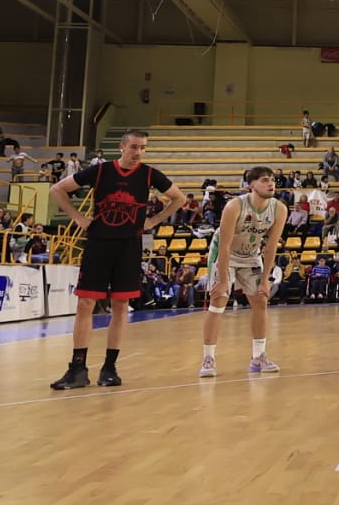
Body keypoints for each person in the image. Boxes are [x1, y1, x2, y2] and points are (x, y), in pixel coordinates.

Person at [48, 128, 187, 389]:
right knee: (86, 304)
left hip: (129, 246)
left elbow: (178, 198)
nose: (139, 152)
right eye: (134, 147)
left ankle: (109, 368)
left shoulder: (149, 174)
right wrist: (78, 218)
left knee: (121, 306)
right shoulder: (101, 171)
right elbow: (58, 189)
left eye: (143, 147)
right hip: (99, 243)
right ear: (122, 147)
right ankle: (77, 368)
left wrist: (153, 221)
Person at [199, 166, 288, 377]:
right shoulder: (235, 206)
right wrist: (222, 280)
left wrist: (266, 279)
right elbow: (225, 245)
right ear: (252, 185)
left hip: (251, 255)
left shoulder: (279, 209)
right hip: (225, 253)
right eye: (265, 180)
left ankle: (258, 357)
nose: (271, 183)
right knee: (219, 298)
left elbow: (271, 246)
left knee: (261, 299)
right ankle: (208, 358)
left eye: (272, 180)